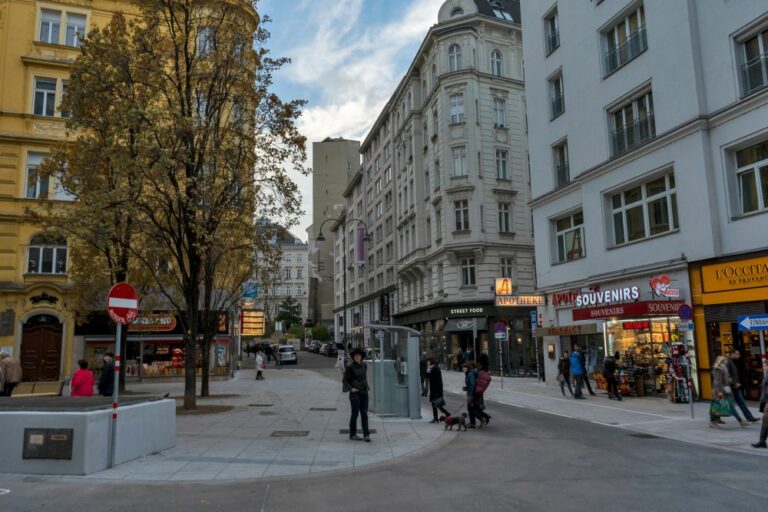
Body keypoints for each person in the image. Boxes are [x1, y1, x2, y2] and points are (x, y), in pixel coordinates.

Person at [710, 354, 746, 428]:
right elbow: (717, 381)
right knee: (720, 406)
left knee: (719, 405)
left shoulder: (723, 368)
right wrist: (719, 392)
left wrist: (731, 381)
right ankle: (740, 421)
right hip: (720, 391)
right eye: (725, 360)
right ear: (722, 361)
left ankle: (714, 420)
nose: (727, 361)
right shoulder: (718, 369)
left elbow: (725, 379)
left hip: (724, 390)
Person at [343, 348, 371, 442]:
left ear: (362, 357)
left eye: (359, 355)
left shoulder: (364, 365)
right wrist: (351, 389)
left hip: (364, 392)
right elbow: (345, 380)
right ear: (353, 357)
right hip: (355, 393)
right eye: (355, 356)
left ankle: (366, 434)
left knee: (364, 414)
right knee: (355, 414)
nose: (357, 357)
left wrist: (367, 385)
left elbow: (364, 377)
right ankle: (353, 434)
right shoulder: (350, 367)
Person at [726, 350, 759, 422]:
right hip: (732, 386)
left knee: (741, 402)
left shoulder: (733, 362)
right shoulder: (729, 362)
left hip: (735, 386)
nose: (739, 356)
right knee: (730, 404)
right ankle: (714, 417)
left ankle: (749, 417)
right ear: (732, 354)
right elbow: (727, 375)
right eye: (737, 354)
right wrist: (734, 383)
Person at [462, 362, 490, 428]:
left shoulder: (470, 374)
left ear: (467, 368)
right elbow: (472, 384)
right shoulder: (471, 373)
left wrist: (471, 396)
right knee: (471, 408)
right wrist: (466, 388)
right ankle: (473, 423)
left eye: (464, 367)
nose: (463, 369)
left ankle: (480, 420)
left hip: (473, 394)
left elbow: (472, 385)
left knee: (471, 408)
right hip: (474, 393)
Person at [426, 358, 450, 423]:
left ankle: (438, 417)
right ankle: (441, 415)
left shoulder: (435, 369)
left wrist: (437, 391)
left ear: (431, 362)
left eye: (428, 362)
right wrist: (428, 372)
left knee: (436, 404)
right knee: (436, 404)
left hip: (436, 389)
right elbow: (429, 378)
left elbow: (437, 380)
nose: (427, 363)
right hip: (433, 389)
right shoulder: (431, 368)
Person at [752, 362, 768, 448]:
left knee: (765, 419)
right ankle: (762, 441)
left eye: (765, 366)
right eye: (764, 366)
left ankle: (762, 441)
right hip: (766, 401)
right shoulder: (766, 375)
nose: (764, 368)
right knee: (765, 420)